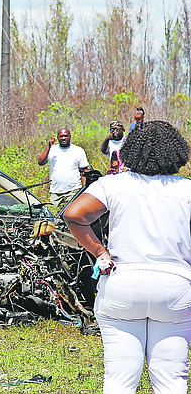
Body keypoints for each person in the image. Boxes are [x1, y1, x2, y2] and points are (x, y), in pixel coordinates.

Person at [63, 120, 191, 393]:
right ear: (177, 152)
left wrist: (100, 251)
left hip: (123, 286)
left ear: (132, 151)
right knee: (171, 381)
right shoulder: (186, 190)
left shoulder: (115, 184)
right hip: (175, 290)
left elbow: (73, 214)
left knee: (119, 381)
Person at [37, 127, 90, 211]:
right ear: (58, 138)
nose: (63, 138)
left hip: (73, 191)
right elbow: (40, 162)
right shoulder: (52, 150)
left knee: (71, 215)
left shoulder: (78, 150)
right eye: (61, 136)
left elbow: (84, 171)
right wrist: (49, 146)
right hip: (56, 192)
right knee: (55, 218)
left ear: (70, 136)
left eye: (66, 136)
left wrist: (84, 189)